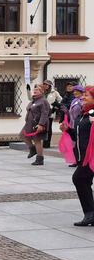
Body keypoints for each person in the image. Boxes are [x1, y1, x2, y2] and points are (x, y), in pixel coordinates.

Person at [61, 86, 94, 227]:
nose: (84, 97)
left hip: (91, 157)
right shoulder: (83, 114)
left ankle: (90, 213)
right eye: (84, 95)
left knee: (79, 179)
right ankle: (90, 214)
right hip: (83, 156)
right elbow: (78, 136)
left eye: (87, 95)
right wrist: (68, 130)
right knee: (83, 181)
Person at [22, 85, 51, 166]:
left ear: (42, 92)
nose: (35, 91)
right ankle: (32, 149)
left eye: (37, 90)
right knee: (22, 135)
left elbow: (45, 113)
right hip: (29, 123)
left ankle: (40, 158)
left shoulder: (43, 101)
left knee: (37, 140)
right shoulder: (34, 100)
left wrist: (41, 124)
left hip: (37, 124)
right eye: (34, 89)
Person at [42, 79, 62, 149]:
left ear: (50, 86)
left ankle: (47, 144)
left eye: (47, 84)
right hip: (42, 112)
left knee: (48, 127)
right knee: (42, 128)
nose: (45, 86)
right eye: (44, 84)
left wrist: (55, 107)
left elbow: (61, 100)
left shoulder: (54, 92)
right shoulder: (42, 92)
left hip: (50, 112)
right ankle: (43, 142)